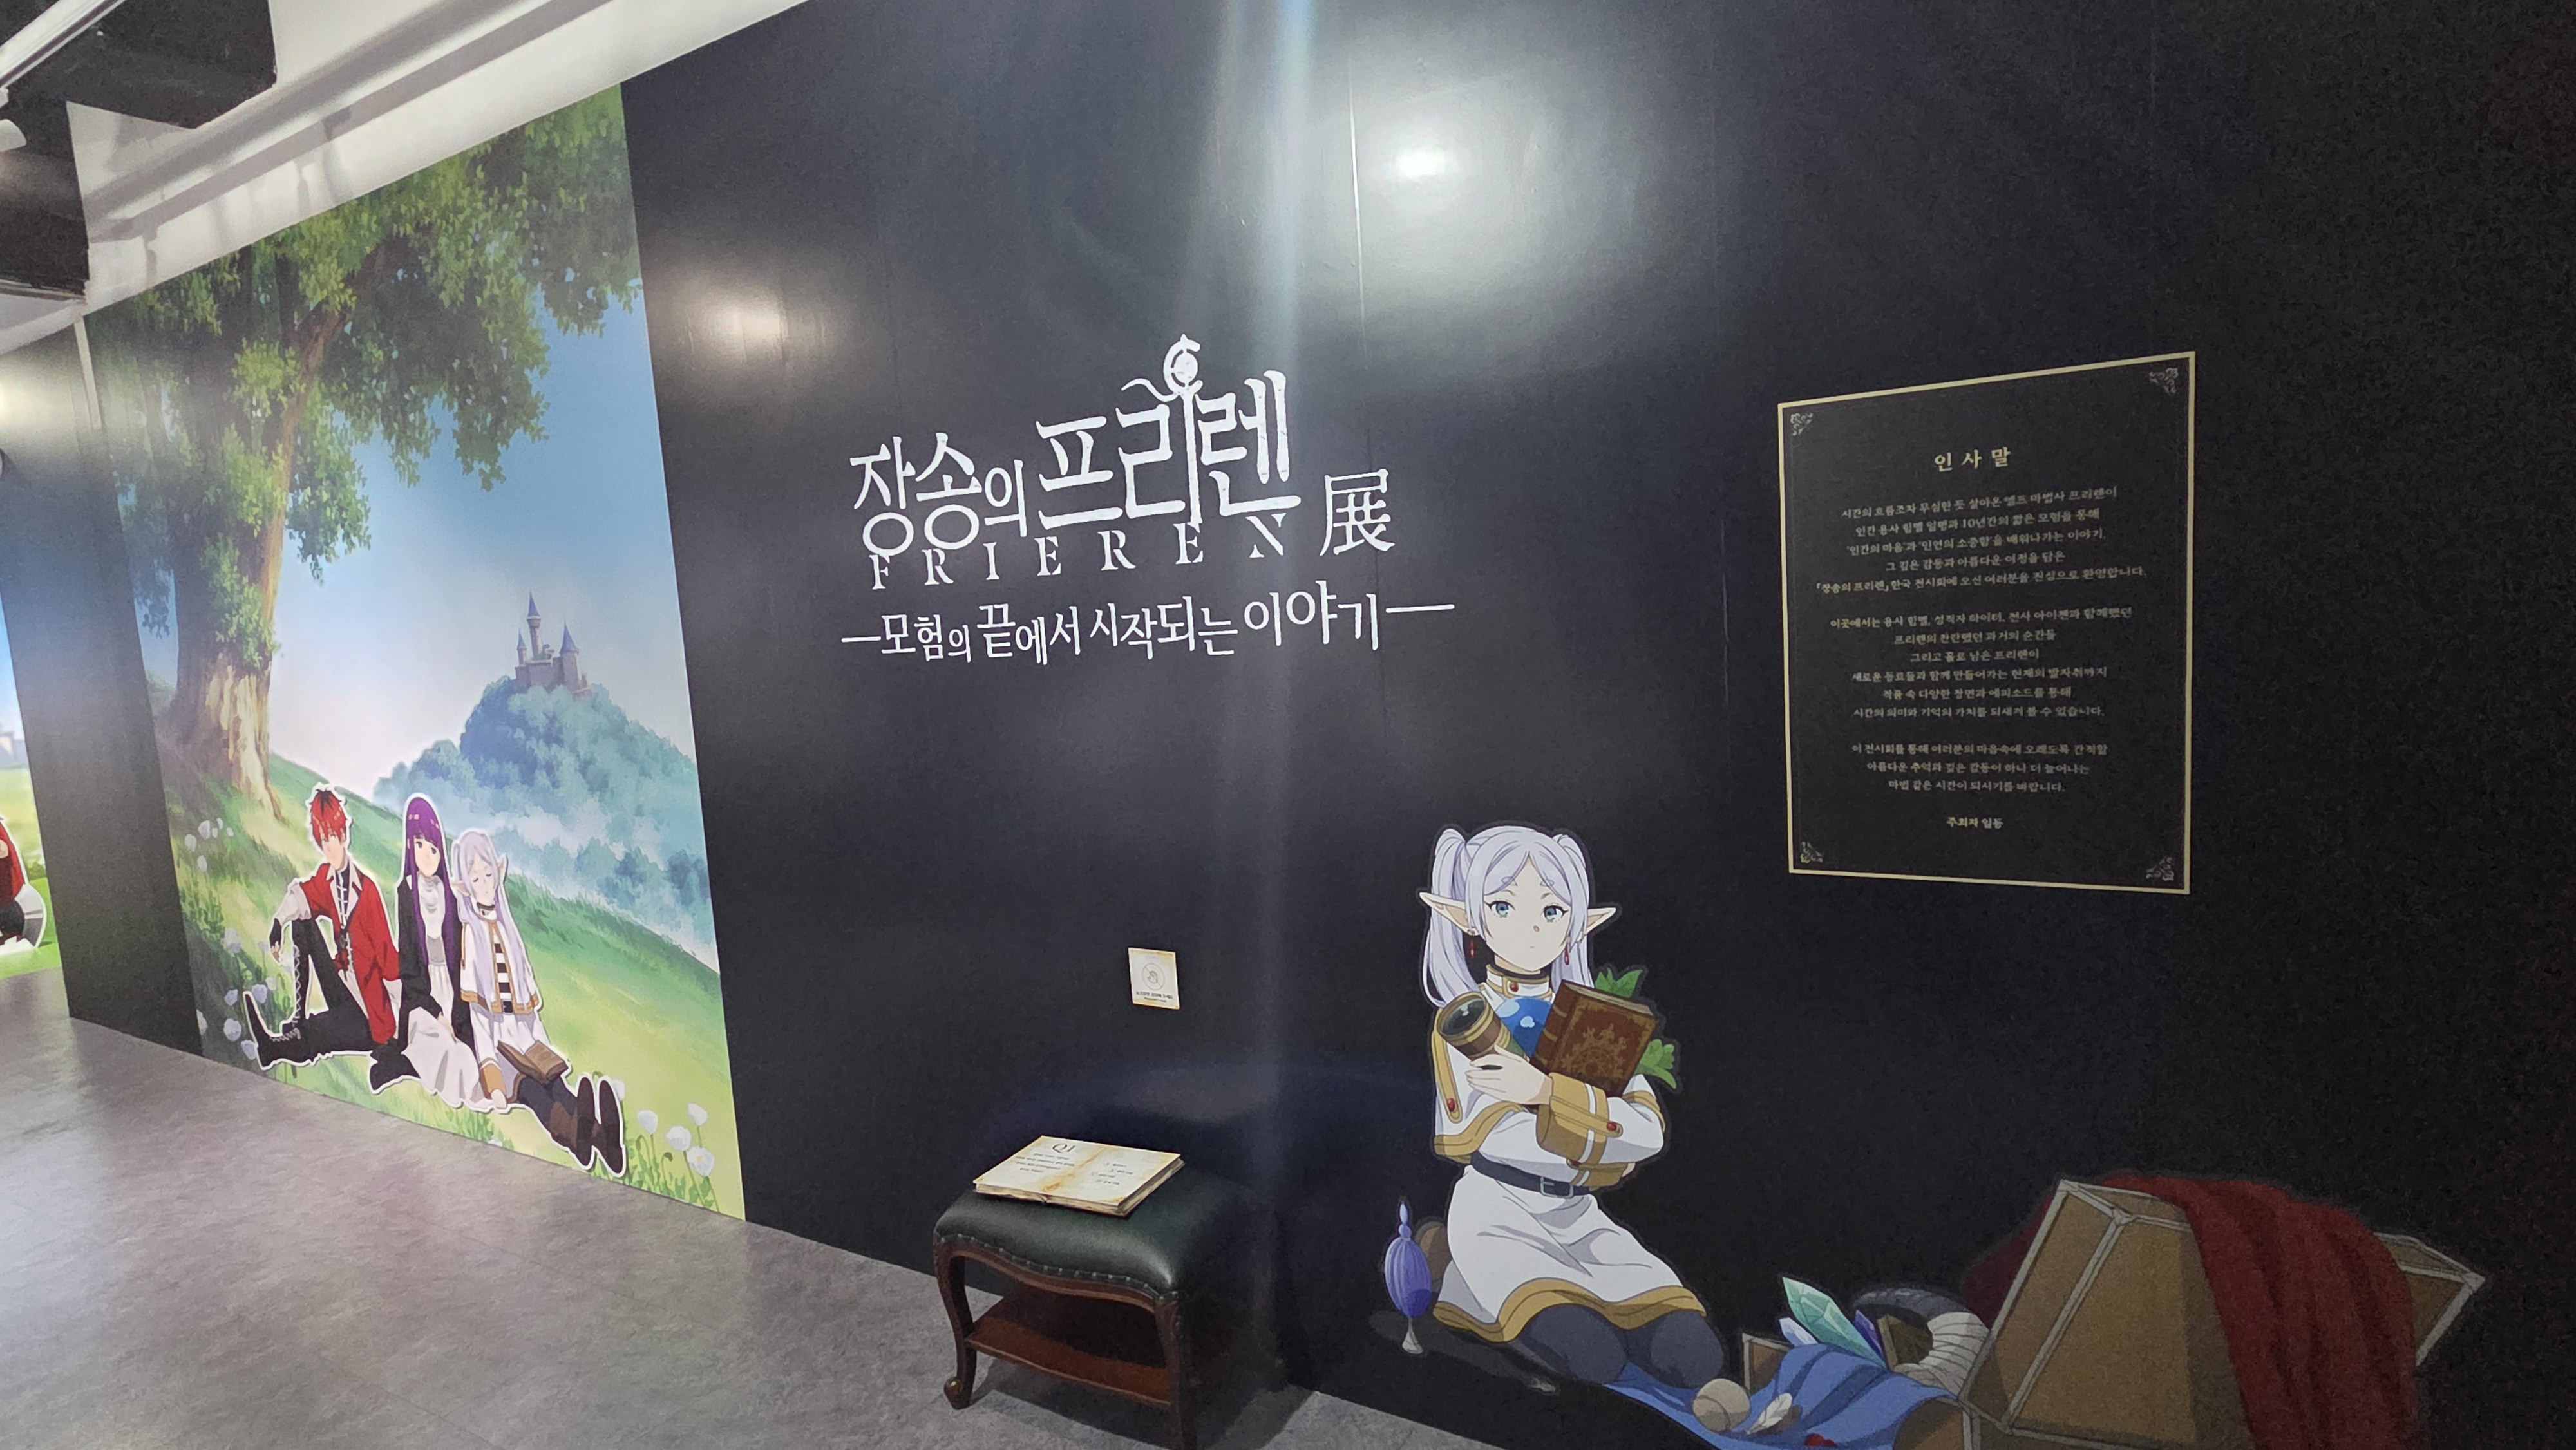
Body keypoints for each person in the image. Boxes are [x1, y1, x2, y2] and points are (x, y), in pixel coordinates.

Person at [1416, 824, 1730, 1407]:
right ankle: (1458, 1277)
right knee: (1595, 1358)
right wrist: (1599, 1138)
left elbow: (1648, 1131)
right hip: (1499, 1214)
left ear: (1575, 924)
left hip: (1583, 1218)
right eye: (1503, 906)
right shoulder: (1466, 1023)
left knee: (1692, 1356)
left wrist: (1544, 1091)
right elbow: (1503, 1141)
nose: (1531, 928)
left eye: (1551, 909)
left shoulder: (1598, 1022)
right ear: (1470, 920)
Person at [452, 828, 624, 1174]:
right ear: (467, 886)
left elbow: (529, 1009)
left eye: (488, 875)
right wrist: (492, 1080)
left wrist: (544, 1049)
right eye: (476, 878)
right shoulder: (471, 935)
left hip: (526, 1041)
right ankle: (578, 1135)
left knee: (556, 1084)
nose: (484, 884)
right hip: (500, 1050)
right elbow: (479, 1018)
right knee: (532, 1090)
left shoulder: (510, 933)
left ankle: (600, 1138)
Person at [243, 787, 410, 1088]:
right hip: (344, 987)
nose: (329, 847)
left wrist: (400, 1028)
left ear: (344, 836)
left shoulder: (367, 893)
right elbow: (302, 896)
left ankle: (274, 1049)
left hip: (370, 1016)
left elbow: (388, 961)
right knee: (303, 923)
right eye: (323, 840)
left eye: (333, 837)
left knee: (322, 1031)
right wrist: (278, 922)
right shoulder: (327, 879)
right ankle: (298, 1016)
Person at [394, 795, 488, 1108]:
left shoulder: (451, 896)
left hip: (452, 993)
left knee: (466, 1043)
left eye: (433, 848)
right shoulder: (406, 892)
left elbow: (462, 963)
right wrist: (435, 1011)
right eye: (419, 844)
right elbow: (408, 968)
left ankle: (474, 1090)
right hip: (422, 998)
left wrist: (454, 1012)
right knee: (440, 1044)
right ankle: (467, 1091)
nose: (426, 855)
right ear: (410, 846)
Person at [0, 814, 26, 943]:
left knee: (5, 904)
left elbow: (3, 850)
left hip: (3, 874)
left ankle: (14, 933)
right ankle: (9, 933)